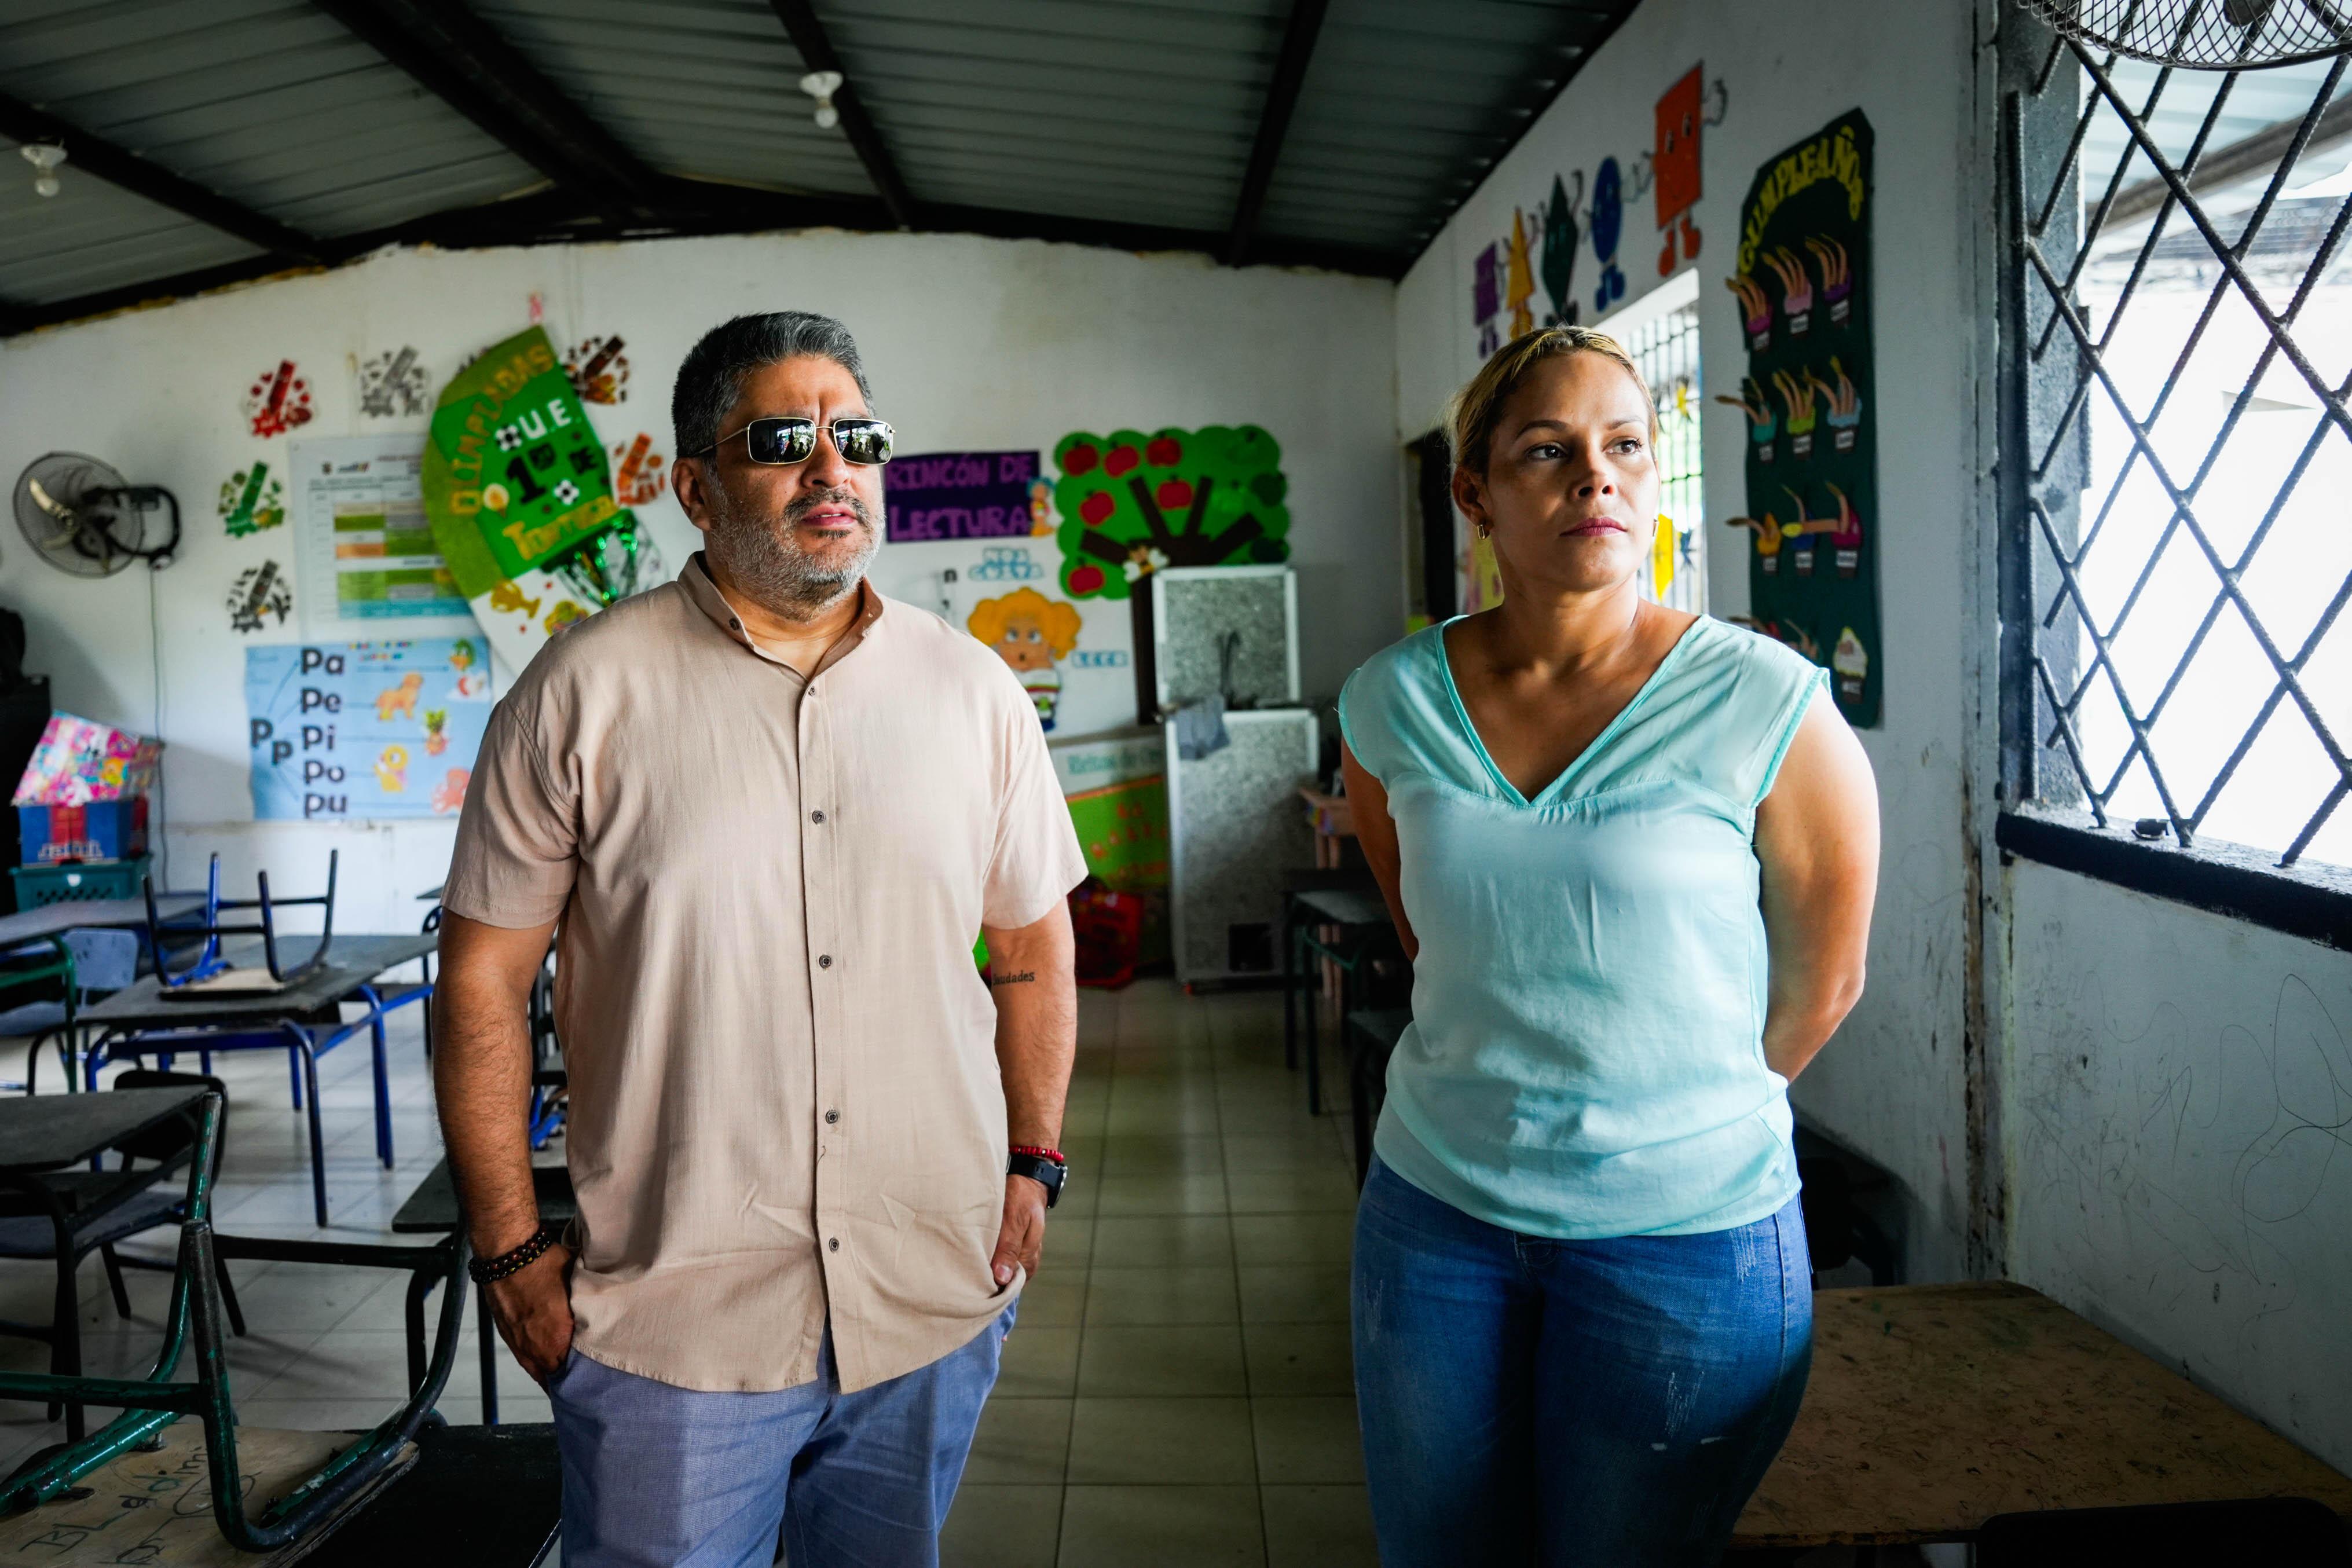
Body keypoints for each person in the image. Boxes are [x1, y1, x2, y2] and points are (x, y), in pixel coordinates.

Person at [434, 311, 1087, 1568]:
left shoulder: (973, 692)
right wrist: (510, 1246)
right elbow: (482, 984)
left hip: (927, 1294)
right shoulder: (581, 692)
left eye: (858, 438)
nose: (831, 468)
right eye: (783, 441)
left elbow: (1029, 951)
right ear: (696, 486)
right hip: (676, 1321)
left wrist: (1034, 1156)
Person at [1338, 324, 1880, 1565]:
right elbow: (1434, 938)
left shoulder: (1765, 701)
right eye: (1548, 449)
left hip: (1685, 1240)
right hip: (1436, 1217)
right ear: (1474, 492)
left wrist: (1664, 1124)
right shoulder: (1391, 702)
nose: (1597, 475)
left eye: (1626, 444)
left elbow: (1824, 981)